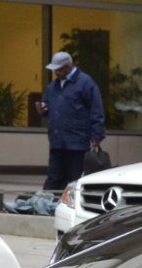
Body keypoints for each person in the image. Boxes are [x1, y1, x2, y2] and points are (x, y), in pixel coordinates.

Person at [39, 51, 104, 191]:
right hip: (57, 141)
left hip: (77, 142)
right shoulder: (53, 86)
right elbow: (47, 105)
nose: (56, 72)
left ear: (69, 66)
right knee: (54, 177)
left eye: (59, 69)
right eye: (55, 70)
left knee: (75, 178)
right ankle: (47, 205)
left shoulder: (85, 83)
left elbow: (96, 110)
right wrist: (43, 109)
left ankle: (71, 206)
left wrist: (96, 136)